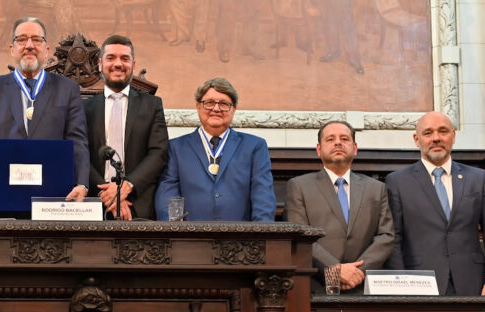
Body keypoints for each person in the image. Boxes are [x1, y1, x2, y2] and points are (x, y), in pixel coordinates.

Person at [0, 17, 89, 217]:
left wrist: (82, 184)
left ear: (47, 50)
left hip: (53, 203)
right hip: (0, 203)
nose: (29, 45)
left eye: (36, 40)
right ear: (12, 49)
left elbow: (78, 141)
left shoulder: (67, 89)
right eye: (22, 39)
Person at [385, 111, 485, 296]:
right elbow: (394, 238)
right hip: (418, 284)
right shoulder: (397, 182)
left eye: (443, 131)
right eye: (428, 133)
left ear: (453, 136)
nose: (436, 138)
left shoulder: (477, 178)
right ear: (416, 139)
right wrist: (400, 283)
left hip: (474, 284)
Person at [285, 121, 394, 293]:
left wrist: (357, 272)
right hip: (317, 287)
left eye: (344, 138)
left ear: (355, 148)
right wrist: (336, 270)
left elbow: (386, 236)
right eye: (330, 139)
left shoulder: (376, 188)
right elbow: (300, 235)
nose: (338, 142)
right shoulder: (299, 186)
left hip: (364, 287)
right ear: (319, 150)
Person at [155, 78, 276, 221]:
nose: (216, 109)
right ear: (198, 106)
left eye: (224, 104)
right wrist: (175, 235)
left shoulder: (254, 146)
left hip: (241, 239)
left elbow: (263, 197)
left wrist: (262, 238)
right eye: (209, 103)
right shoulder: (175, 148)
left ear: (234, 109)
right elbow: (168, 197)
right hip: (190, 239)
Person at [84, 35, 168, 220]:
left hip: (139, 205)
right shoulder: (84, 108)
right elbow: (80, 155)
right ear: (100, 64)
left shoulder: (152, 105)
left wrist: (127, 186)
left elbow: (159, 153)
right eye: (111, 57)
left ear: (134, 65)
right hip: (94, 205)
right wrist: (107, 194)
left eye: (125, 58)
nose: (118, 64)